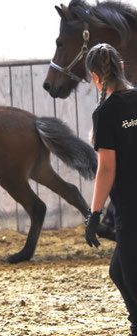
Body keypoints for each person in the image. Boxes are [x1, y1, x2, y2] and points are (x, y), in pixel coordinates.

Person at [84, 43, 137, 336]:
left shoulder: (105, 113)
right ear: (122, 67)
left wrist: (94, 214)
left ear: (95, 77)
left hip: (130, 207)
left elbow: (106, 169)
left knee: (130, 277)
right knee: (118, 271)